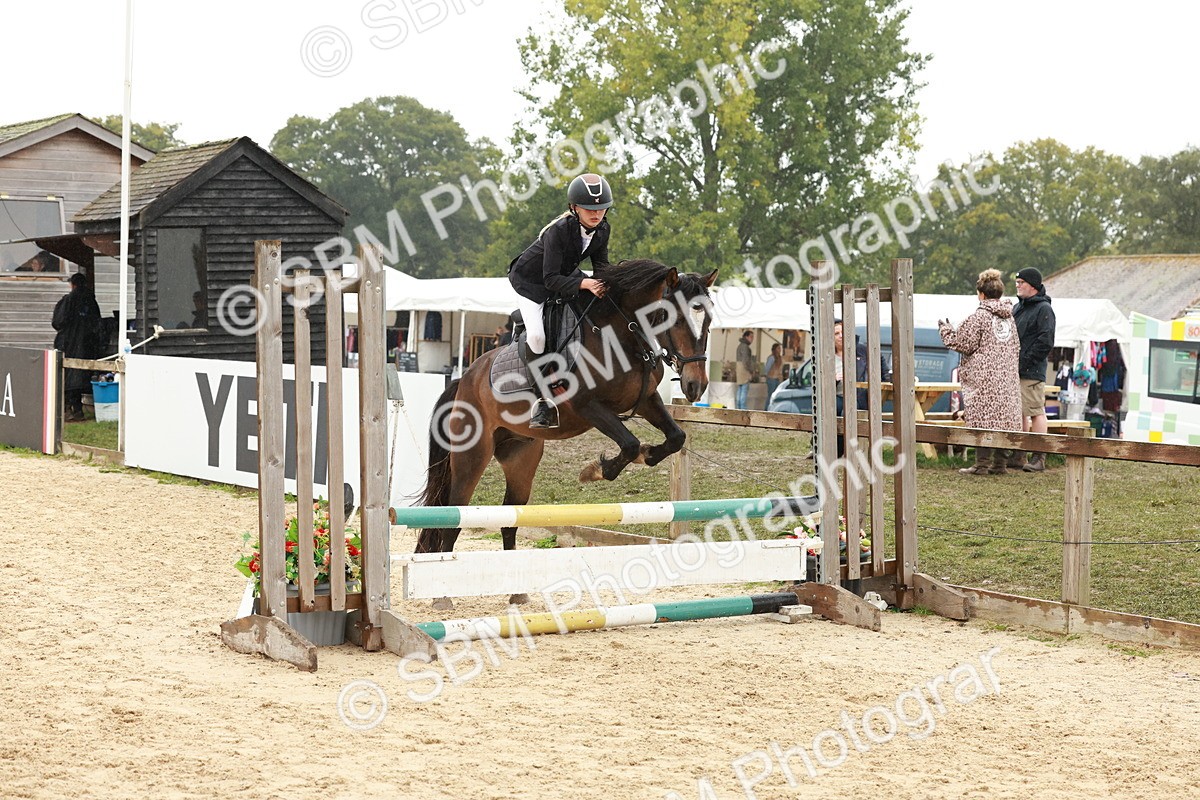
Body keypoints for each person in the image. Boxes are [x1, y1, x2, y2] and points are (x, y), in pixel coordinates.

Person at [507, 173, 612, 428]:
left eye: (601, 208)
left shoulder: (602, 229)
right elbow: (550, 279)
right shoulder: (558, 231)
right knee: (537, 337)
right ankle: (541, 402)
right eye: (589, 209)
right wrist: (586, 283)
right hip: (531, 283)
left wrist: (611, 283)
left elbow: (601, 267)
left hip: (564, 275)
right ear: (574, 208)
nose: (596, 214)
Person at [938, 269, 1022, 475]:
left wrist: (945, 329)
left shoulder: (980, 317)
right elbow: (1017, 347)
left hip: (984, 380)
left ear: (981, 294)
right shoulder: (1009, 318)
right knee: (1002, 421)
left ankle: (981, 464)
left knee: (982, 419)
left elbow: (962, 343)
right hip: (1007, 379)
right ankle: (1000, 465)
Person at [1010, 267, 1057, 472]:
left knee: (1036, 412)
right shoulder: (1017, 308)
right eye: (1017, 282)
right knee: (1019, 412)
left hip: (1032, 371)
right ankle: (1019, 454)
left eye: (1021, 282)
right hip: (1016, 369)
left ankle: (1039, 456)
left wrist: (1025, 362)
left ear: (1033, 286)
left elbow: (1045, 341)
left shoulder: (1044, 309)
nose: (1018, 285)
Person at [831, 319, 892, 457]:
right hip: (837, 395)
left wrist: (886, 379)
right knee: (829, 410)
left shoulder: (861, 350)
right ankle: (831, 449)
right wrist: (834, 379)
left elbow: (880, 360)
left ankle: (846, 451)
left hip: (858, 395)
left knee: (846, 413)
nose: (841, 336)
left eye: (843, 332)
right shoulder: (827, 355)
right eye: (836, 333)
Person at [53, 273, 103, 421]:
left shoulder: (67, 300)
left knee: (68, 376)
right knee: (83, 376)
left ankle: (70, 409)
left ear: (73, 285)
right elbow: (98, 324)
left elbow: (57, 322)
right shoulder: (91, 302)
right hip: (87, 345)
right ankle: (81, 410)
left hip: (68, 344)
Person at [735, 330, 755, 410]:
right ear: (746, 337)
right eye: (751, 337)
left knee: (740, 390)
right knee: (743, 392)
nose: (752, 339)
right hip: (744, 371)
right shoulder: (745, 347)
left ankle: (738, 409)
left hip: (739, 371)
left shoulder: (740, 346)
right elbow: (746, 361)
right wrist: (751, 370)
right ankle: (742, 409)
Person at [763, 342, 783, 409]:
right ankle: (766, 409)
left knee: (775, 396)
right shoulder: (771, 358)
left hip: (777, 379)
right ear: (775, 349)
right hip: (771, 379)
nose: (780, 350)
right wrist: (767, 375)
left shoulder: (780, 358)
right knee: (771, 395)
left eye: (780, 348)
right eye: (778, 348)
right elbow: (767, 368)